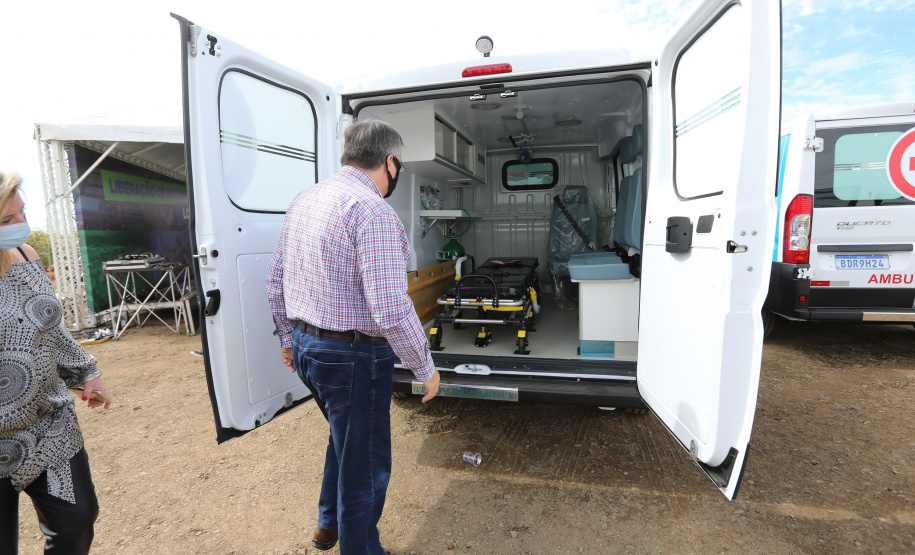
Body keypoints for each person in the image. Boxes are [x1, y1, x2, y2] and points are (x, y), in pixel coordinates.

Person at [266, 120, 440, 554]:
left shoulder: (306, 199)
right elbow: (390, 308)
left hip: (308, 348)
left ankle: (329, 525)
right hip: (352, 358)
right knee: (366, 465)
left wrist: (287, 338)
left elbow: (275, 280)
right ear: (390, 162)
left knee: (346, 439)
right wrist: (425, 367)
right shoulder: (373, 212)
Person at [0, 171, 112, 554]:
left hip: (48, 422)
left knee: (76, 521)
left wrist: (86, 374)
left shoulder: (26, 255)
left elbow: (50, 326)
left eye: (22, 212)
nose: (21, 224)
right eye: (7, 219)